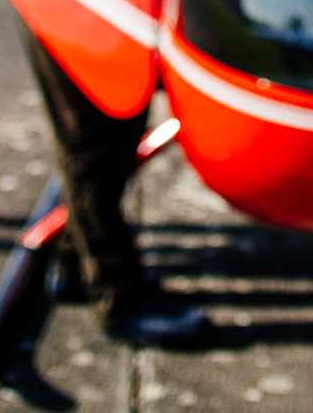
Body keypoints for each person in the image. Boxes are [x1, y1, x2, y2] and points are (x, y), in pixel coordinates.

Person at [17, 23, 207, 346]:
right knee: (93, 145)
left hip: (110, 14)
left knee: (117, 136)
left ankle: (77, 264)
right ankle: (119, 299)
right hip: (78, 12)